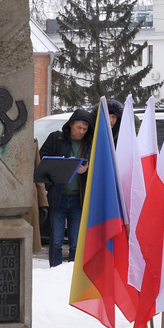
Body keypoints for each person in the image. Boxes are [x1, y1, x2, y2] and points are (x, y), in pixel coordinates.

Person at [38, 108, 93, 267]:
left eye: (85, 129)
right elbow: (41, 162)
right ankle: (54, 271)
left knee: (76, 242)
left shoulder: (90, 144)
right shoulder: (57, 139)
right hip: (58, 197)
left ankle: (72, 273)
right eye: (78, 128)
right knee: (56, 241)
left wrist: (88, 169)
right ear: (70, 125)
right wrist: (61, 165)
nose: (81, 132)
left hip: (79, 199)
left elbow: (100, 168)